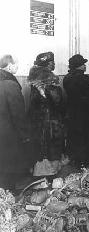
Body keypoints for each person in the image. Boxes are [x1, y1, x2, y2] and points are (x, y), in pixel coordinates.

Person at [28, 52, 65, 173]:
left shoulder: (35, 77)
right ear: (48, 64)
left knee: (40, 145)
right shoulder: (49, 79)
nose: (54, 64)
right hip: (50, 120)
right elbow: (57, 101)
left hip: (37, 119)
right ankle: (49, 173)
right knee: (51, 146)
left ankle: (39, 171)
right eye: (52, 62)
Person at [0, 54, 30, 190]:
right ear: (10, 66)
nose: (18, 67)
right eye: (17, 64)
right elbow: (18, 114)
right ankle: (8, 195)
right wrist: (25, 135)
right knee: (8, 168)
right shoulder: (11, 85)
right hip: (8, 133)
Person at [63, 54, 89, 167]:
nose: (85, 66)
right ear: (79, 66)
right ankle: (86, 162)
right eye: (83, 64)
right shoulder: (84, 79)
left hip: (73, 113)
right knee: (87, 138)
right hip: (86, 114)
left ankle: (76, 160)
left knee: (75, 137)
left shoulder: (66, 78)